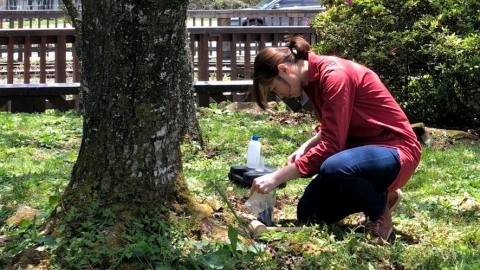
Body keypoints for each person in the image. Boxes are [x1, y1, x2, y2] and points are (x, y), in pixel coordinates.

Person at [249, 35, 421, 244]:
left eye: (276, 89)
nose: (281, 95)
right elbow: (335, 127)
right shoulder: (310, 82)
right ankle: (382, 194)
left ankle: (378, 214)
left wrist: (276, 177)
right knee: (309, 214)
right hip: (358, 154)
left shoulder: (334, 75)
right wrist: (306, 146)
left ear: (284, 70)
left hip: (395, 149)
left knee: (334, 167)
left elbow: (332, 146)